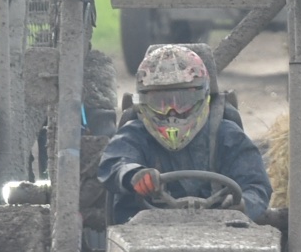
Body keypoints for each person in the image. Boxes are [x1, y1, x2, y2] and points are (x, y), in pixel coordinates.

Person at [93, 43, 271, 224]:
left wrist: (243, 204)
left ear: (203, 97)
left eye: (182, 101)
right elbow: (114, 163)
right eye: (161, 103)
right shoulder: (134, 135)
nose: (172, 112)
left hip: (220, 229)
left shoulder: (227, 135)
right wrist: (133, 175)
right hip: (142, 231)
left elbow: (256, 185)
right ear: (142, 102)